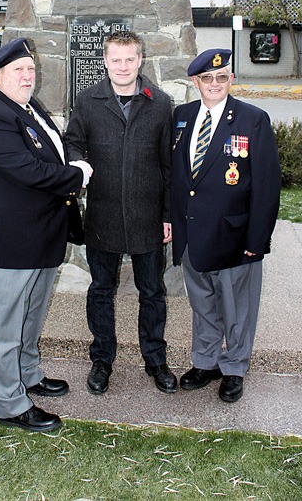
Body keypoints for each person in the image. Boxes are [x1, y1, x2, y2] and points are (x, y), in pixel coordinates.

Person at [0, 38, 92, 432]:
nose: (27, 76)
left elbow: (53, 144)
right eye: (19, 70)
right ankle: (10, 404)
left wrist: (74, 158)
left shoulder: (24, 104)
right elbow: (29, 171)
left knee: (29, 318)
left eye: (30, 69)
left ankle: (28, 375)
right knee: (0, 328)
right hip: (3, 243)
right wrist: (78, 175)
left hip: (37, 236)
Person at [64, 32, 175, 396]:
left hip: (147, 216)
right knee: (100, 290)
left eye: (130, 59)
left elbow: (168, 164)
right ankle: (101, 359)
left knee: (152, 291)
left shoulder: (160, 103)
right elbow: (73, 143)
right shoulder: (88, 100)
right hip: (104, 214)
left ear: (140, 60)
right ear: (106, 61)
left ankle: (155, 359)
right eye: (116, 60)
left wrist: (168, 214)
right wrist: (78, 167)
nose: (123, 67)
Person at [171, 48, 281, 402]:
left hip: (234, 235)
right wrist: (170, 220)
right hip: (192, 232)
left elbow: (267, 185)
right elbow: (176, 177)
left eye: (222, 77)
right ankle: (206, 362)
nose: (215, 84)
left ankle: (234, 366)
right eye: (207, 78)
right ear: (195, 82)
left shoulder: (252, 120)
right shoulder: (182, 117)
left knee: (236, 308)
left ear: (231, 79)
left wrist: (257, 239)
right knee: (202, 303)